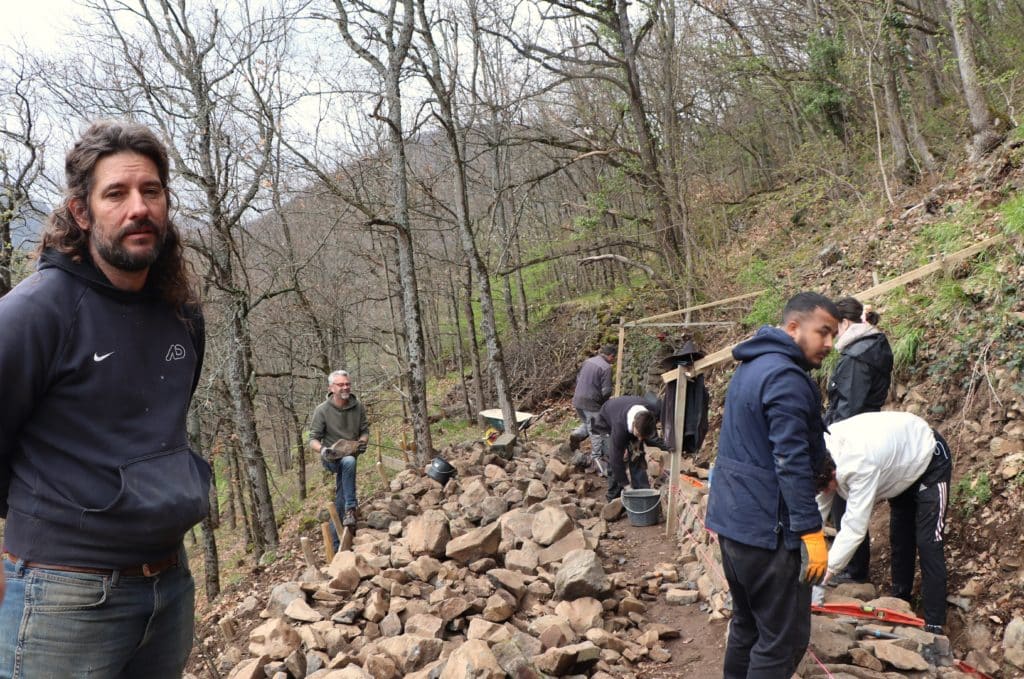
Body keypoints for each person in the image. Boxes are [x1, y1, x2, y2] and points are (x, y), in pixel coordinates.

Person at [0, 120, 211, 678]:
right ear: (82, 212)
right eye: (115, 193)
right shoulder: (34, 314)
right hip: (62, 596)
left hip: (168, 586)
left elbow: (165, 426)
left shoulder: (180, 313)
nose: (138, 207)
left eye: (151, 191)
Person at [706, 291, 839, 679]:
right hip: (768, 533)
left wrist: (822, 464)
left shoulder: (752, 366)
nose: (829, 344)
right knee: (782, 642)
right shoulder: (787, 378)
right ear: (794, 327)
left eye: (833, 334)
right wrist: (812, 532)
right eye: (823, 332)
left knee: (747, 627)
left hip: (733, 524)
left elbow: (764, 445)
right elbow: (789, 462)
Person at [815, 411, 951, 634]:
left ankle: (935, 625)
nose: (828, 493)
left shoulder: (859, 465)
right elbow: (814, 513)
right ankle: (900, 603)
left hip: (928, 459)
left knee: (928, 542)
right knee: (900, 537)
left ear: (833, 472)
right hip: (898, 469)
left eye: (828, 486)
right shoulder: (818, 453)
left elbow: (854, 527)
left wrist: (823, 574)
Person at [824, 296, 894, 585]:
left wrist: (830, 439)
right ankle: (854, 568)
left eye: (832, 328)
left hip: (850, 440)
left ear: (845, 323)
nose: (831, 336)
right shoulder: (873, 348)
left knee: (847, 507)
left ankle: (854, 572)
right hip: (868, 432)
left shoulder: (856, 358)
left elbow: (848, 408)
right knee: (852, 504)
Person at [309, 370, 369, 548]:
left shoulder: (358, 407)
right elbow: (312, 439)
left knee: (342, 492)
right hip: (331, 458)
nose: (345, 387)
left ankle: (337, 545)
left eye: (347, 384)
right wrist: (323, 450)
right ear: (331, 388)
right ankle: (351, 508)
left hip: (350, 453)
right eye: (341, 385)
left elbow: (364, 430)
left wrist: (363, 442)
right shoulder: (322, 410)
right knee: (348, 463)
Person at [590, 395, 665, 502]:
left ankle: (643, 494)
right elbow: (615, 460)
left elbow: (646, 436)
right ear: (634, 424)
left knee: (637, 455)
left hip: (629, 413)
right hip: (607, 419)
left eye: (642, 436)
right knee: (614, 461)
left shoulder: (651, 413)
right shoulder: (619, 428)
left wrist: (667, 446)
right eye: (638, 435)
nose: (640, 438)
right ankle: (613, 498)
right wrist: (627, 486)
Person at [569, 344, 617, 474]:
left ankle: (577, 434)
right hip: (591, 403)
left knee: (588, 424)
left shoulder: (588, 361)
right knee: (596, 431)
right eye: (614, 358)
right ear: (611, 356)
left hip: (577, 399)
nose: (614, 360)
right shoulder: (606, 367)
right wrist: (604, 404)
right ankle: (597, 459)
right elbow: (606, 391)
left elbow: (578, 378)